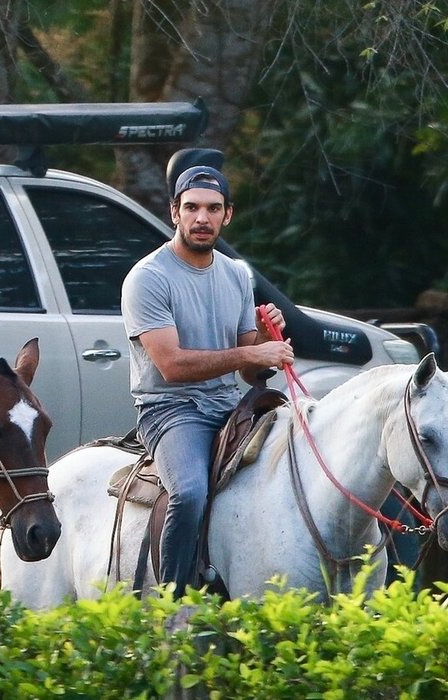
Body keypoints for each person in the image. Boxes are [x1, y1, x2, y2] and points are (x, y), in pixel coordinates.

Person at [120, 164, 293, 592]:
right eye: (192, 207)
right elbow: (172, 366)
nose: (203, 218)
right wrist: (250, 350)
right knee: (191, 493)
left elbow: (251, 372)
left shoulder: (236, 274)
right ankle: (173, 602)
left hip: (228, 406)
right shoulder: (148, 278)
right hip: (170, 410)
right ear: (174, 212)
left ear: (227, 215)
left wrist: (268, 342)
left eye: (213, 209)